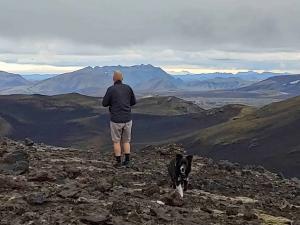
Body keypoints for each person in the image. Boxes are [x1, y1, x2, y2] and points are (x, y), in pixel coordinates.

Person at [102, 70, 136, 168]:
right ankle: (127, 161)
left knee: (116, 141)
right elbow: (133, 102)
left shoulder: (111, 89)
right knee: (126, 141)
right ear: (122, 78)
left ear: (113, 79)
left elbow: (104, 103)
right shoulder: (128, 88)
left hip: (116, 120)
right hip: (127, 119)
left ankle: (118, 162)